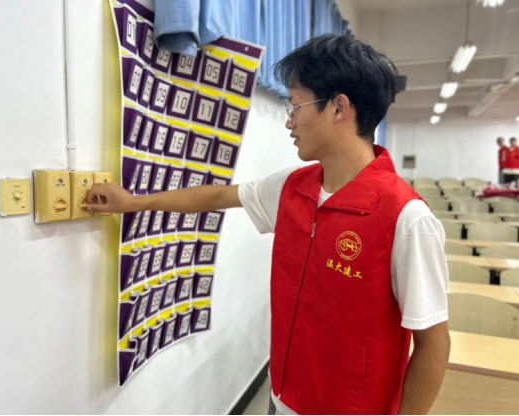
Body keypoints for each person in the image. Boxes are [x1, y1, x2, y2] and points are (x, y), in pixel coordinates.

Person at [87, 35, 451, 415]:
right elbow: (218, 197)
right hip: (281, 398)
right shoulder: (293, 187)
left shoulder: (406, 218)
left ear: (338, 107)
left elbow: (433, 344)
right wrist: (133, 203)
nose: (289, 122)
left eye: (295, 106)